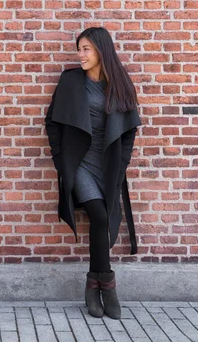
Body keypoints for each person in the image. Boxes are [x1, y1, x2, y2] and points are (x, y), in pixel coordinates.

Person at [44, 27, 142, 319]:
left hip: (107, 164)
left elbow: (129, 131)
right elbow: (51, 122)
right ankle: (106, 285)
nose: (81, 55)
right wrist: (61, 160)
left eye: (86, 49)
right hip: (80, 164)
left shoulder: (120, 84)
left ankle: (94, 285)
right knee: (99, 216)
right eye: (79, 49)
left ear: (101, 51)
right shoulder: (71, 81)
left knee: (103, 220)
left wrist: (121, 164)